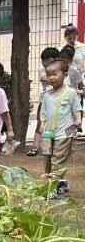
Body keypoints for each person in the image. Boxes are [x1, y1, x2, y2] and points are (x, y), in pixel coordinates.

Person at [32, 58, 83, 195]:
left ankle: (51, 189)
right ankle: (60, 182)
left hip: (64, 134)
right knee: (47, 159)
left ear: (65, 75)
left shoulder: (70, 93)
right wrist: (42, 125)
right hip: (48, 135)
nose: (51, 78)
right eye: (49, 75)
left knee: (57, 161)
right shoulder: (47, 95)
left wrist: (78, 120)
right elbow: (43, 113)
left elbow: (77, 108)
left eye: (55, 74)